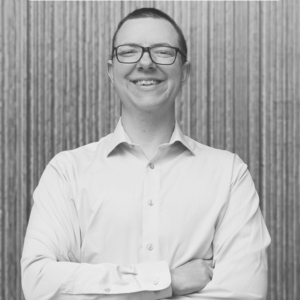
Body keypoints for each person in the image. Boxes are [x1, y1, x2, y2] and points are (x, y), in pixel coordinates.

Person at [21, 7, 271, 300]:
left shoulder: (229, 175)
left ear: (185, 71)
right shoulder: (67, 172)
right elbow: (39, 284)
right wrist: (166, 281)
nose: (146, 63)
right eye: (129, 51)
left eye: (163, 52)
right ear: (111, 71)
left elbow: (243, 295)